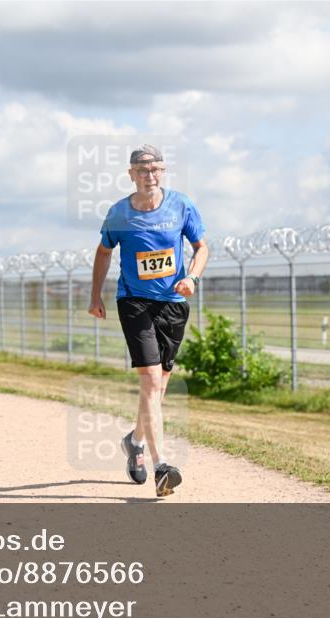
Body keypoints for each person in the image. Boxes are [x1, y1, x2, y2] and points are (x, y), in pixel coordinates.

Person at [87, 144, 209, 497]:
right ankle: (162, 465)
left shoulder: (181, 205)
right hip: (134, 301)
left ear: (163, 171)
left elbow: (202, 247)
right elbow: (103, 252)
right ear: (131, 175)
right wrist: (95, 296)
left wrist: (193, 278)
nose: (149, 176)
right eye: (142, 170)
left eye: (155, 169)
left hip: (173, 302)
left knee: (159, 388)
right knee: (152, 382)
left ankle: (134, 441)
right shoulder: (119, 214)